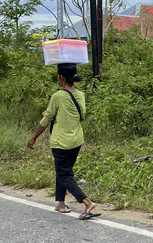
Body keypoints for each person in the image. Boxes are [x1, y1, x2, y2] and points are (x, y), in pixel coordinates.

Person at [27, 64, 99, 220]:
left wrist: (33, 137)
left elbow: (46, 120)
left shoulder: (57, 96)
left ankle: (87, 203)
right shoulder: (80, 95)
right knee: (63, 173)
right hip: (76, 140)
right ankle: (61, 204)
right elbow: (82, 115)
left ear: (61, 78)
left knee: (64, 174)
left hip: (61, 142)